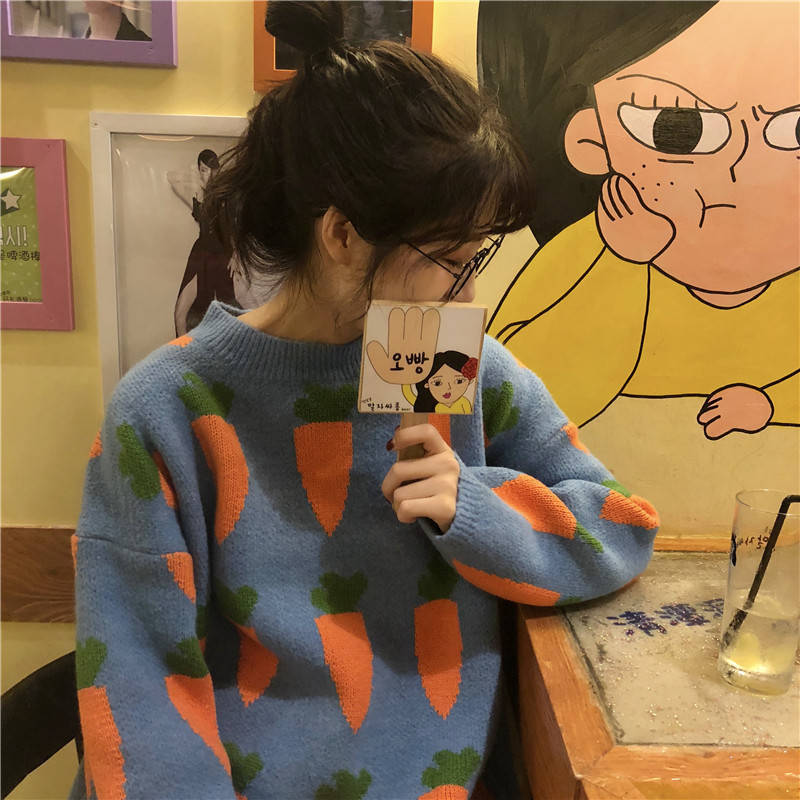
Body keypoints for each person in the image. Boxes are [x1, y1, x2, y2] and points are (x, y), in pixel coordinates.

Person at [69, 3, 658, 798]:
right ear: (343, 235)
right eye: (450, 257)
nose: (469, 293)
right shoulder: (167, 409)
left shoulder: (451, 363)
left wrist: (473, 508)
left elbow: (619, 526)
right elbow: (140, 694)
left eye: (477, 255)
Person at [480, 1, 799, 438]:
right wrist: (624, 267)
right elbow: (511, 413)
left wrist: (769, 403)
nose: (742, 171)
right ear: (591, 142)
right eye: (680, 128)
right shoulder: (589, 256)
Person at [169, 149, 242, 337]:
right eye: (202, 170)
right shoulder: (199, 199)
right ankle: (184, 351)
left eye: (208, 169)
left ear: (216, 170)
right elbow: (173, 177)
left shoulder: (226, 198)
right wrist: (196, 175)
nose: (205, 174)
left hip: (220, 257)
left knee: (226, 313)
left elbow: (236, 227)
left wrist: (236, 255)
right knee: (180, 312)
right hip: (200, 256)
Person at [404, 350, 477, 414]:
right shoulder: (427, 405)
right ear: (426, 384)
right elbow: (408, 392)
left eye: (459, 381)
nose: (448, 387)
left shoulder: (464, 402)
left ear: (470, 381)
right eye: (437, 383)